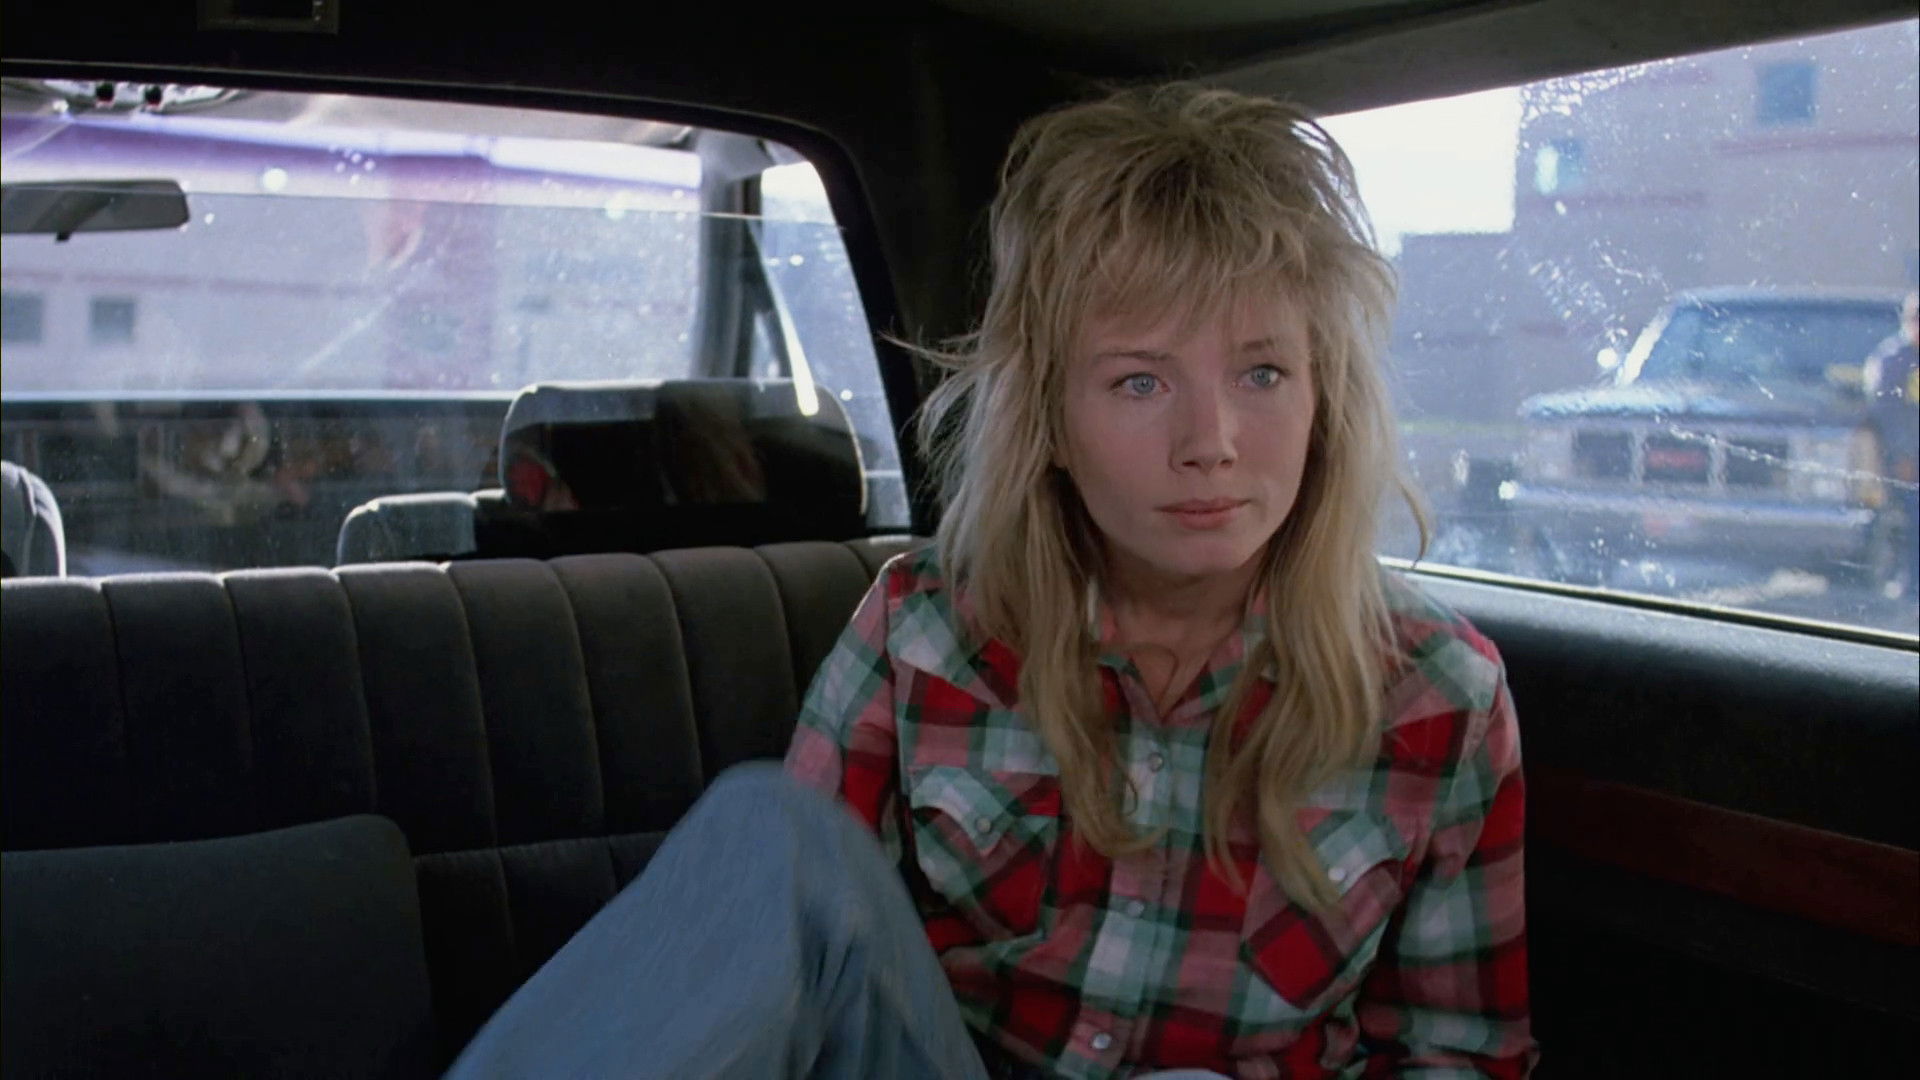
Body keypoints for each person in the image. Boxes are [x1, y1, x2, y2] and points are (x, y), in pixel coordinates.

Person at [448, 84, 1536, 1079]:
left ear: (1322, 401)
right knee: (769, 833)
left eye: (1262, 372)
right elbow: (799, 970)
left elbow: (1460, 1056)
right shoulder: (926, 630)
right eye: (1140, 381)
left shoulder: (1438, 695)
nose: (1211, 442)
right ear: (1050, 421)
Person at [1860, 290, 1918, 598]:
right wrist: (1903, 455)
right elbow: (1887, 413)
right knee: (1906, 521)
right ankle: (1906, 581)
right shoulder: (1894, 359)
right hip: (1904, 460)